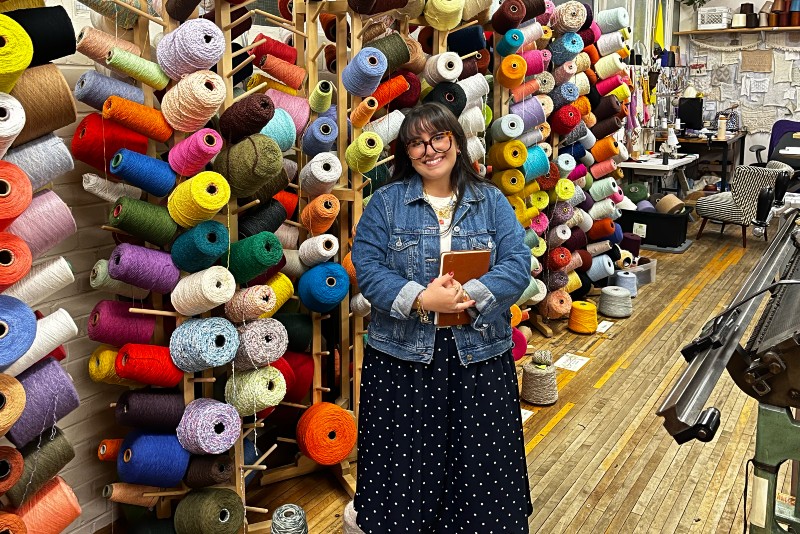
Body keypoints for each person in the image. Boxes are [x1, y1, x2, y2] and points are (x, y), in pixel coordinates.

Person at [351, 102, 533, 533]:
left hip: (479, 353)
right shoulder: (386, 203)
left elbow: (517, 263)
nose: (429, 150)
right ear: (406, 152)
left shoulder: (490, 200)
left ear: (456, 141)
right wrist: (421, 299)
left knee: (479, 459)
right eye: (416, 143)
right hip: (403, 358)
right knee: (406, 461)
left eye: (438, 138)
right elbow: (368, 267)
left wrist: (469, 294)